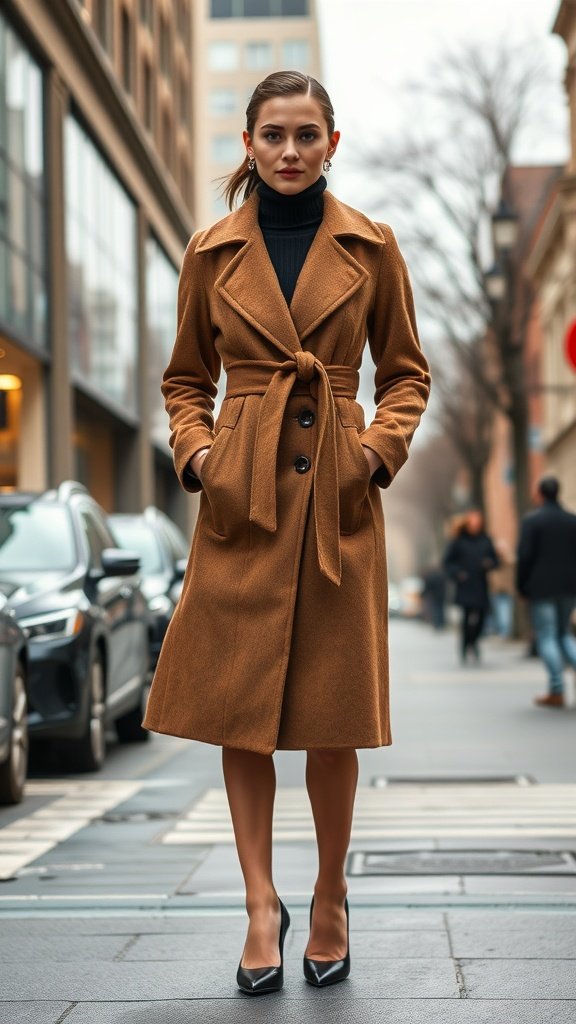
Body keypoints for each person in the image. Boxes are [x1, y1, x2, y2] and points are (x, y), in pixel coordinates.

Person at [142, 71, 430, 995]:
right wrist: (201, 462)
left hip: (338, 506)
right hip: (244, 502)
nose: (291, 150)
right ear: (250, 144)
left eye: (308, 134)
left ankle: (332, 895)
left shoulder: (371, 246)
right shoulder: (212, 252)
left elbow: (408, 374)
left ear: (333, 142)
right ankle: (261, 905)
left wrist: (373, 457)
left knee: (332, 719)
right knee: (241, 714)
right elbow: (185, 379)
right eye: (275, 134)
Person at [517, 476, 576, 708]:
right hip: (570, 587)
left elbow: (525, 557)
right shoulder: (572, 520)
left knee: (547, 635)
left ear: (540, 494)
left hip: (541, 589)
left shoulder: (533, 521)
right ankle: (556, 690)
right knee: (564, 635)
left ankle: (557, 690)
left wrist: (522, 586)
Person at [443, 510, 499, 663]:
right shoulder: (458, 541)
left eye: (478, 523)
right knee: (467, 619)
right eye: (472, 523)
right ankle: (464, 647)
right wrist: (457, 573)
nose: (475, 526)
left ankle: (473, 642)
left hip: (481, 584)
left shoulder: (486, 540)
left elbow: (495, 560)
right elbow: (447, 562)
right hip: (465, 584)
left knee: (481, 618)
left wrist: (489, 564)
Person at [421, 565, 447, 630]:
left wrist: (423, 594)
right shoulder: (442, 576)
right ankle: (441, 623)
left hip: (435, 596)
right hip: (441, 595)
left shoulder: (431, 577)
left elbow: (428, 587)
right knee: (440, 609)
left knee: (436, 609)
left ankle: (437, 623)